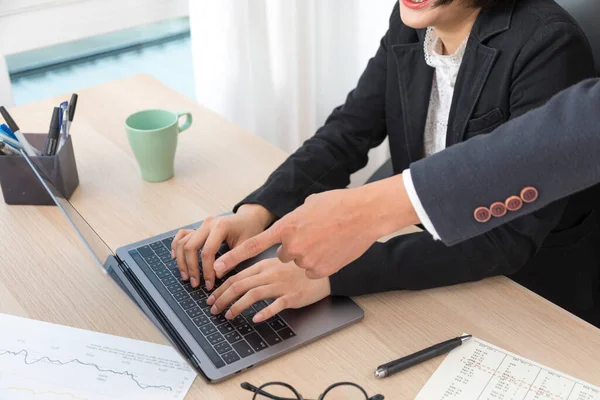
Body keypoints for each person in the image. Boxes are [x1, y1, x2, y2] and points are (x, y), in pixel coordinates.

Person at [173, 0, 600, 326]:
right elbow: (348, 132)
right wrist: (258, 212)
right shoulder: (412, 20)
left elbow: (505, 241)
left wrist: (332, 276)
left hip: (530, 293)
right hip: (430, 263)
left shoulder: (547, 44)